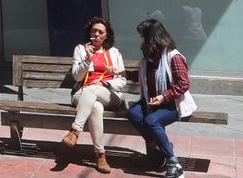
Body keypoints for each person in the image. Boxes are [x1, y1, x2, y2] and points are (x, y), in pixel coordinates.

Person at [126, 18, 197, 177]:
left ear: (152, 37)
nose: (141, 38)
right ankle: (162, 146)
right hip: (152, 101)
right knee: (133, 113)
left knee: (152, 121)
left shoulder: (173, 56)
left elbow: (183, 84)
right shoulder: (149, 56)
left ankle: (174, 165)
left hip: (173, 104)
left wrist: (164, 97)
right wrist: (123, 74)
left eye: (143, 35)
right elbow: (144, 76)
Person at [62, 17, 127, 172]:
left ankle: (75, 131)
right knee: (96, 107)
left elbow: (122, 80)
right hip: (82, 92)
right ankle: (100, 155)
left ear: (106, 35)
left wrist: (105, 83)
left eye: (100, 32)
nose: (96, 34)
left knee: (92, 89)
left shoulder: (114, 53)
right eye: (94, 31)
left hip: (110, 94)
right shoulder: (80, 49)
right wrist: (87, 59)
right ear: (89, 33)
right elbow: (77, 77)